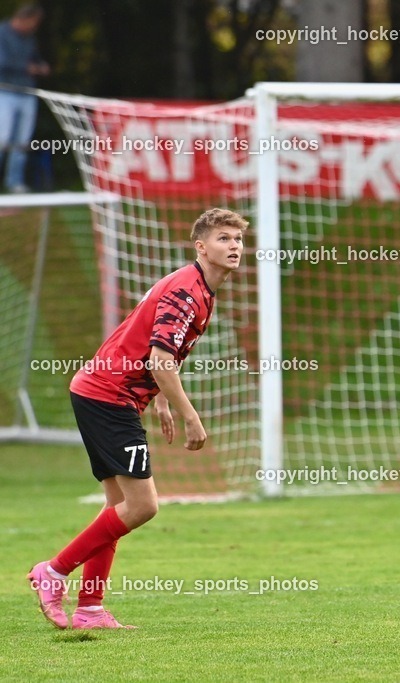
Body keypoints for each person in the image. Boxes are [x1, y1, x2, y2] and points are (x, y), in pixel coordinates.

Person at [27, 208, 246, 629]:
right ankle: (53, 572)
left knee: (118, 506)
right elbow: (161, 361)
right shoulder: (187, 291)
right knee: (143, 506)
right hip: (108, 396)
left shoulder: (197, 287)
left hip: (103, 392)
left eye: (237, 239)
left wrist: (161, 401)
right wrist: (191, 417)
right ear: (201, 246)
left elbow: (154, 347)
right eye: (223, 238)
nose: (234, 246)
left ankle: (90, 609)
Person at [0, 3, 49, 193]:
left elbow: (34, 59)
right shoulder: (2, 33)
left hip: (27, 93)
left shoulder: (30, 38)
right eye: (33, 22)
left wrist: (41, 66)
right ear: (24, 18)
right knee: (2, 138)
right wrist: (28, 68)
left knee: (22, 141)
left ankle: (15, 182)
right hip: (5, 92)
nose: (34, 27)